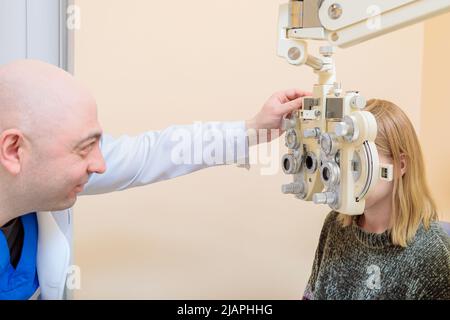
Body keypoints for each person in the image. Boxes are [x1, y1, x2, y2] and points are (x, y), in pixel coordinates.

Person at [0, 59, 309, 299]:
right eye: (84, 149)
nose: (101, 164)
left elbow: (153, 152)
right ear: (14, 150)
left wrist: (254, 129)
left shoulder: (44, 174)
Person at [303, 99, 450, 300]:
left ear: (400, 165)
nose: (345, 174)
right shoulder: (335, 225)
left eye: (356, 162)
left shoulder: (432, 255)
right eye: (341, 157)